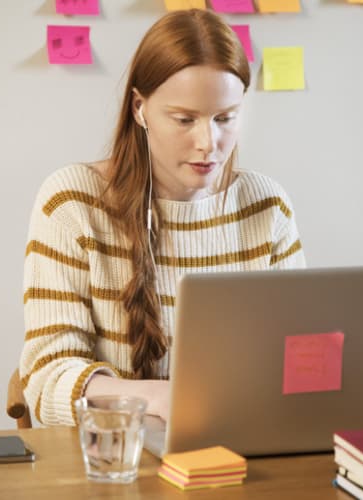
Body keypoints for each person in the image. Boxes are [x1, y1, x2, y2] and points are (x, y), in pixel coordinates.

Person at [19, 8, 306, 426]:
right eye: (185, 119)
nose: (209, 143)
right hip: (117, 463)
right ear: (140, 108)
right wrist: (154, 397)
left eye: (225, 118)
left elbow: (297, 358)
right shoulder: (72, 203)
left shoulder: (268, 206)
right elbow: (46, 380)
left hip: (241, 452)